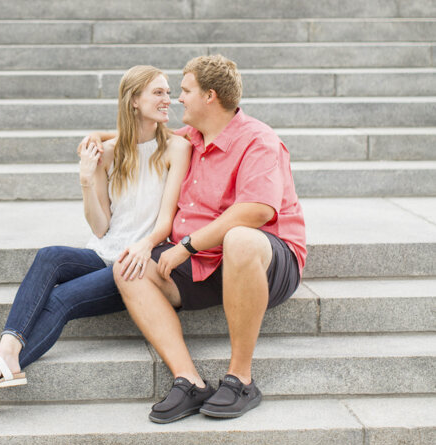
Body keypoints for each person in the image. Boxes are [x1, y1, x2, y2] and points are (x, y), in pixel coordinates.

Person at [0, 64, 192, 421]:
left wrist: (146, 245)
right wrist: (86, 179)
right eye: (158, 92)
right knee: (50, 256)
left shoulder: (177, 148)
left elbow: (165, 221)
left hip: (135, 265)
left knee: (60, 299)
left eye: (168, 91)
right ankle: (5, 356)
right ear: (133, 101)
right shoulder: (109, 153)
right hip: (105, 252)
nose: (168, 99)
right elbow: (101, 228)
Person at [82, 54, 307, 423]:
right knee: (128, 268)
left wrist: (186, 246)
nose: (178, 99)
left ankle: (241, 380)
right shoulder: (192, 137)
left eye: (185, 90)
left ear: (210, 97)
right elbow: (142, 135)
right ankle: (189, 381)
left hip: (265, 261)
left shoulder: (259, 141)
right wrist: (98, 137)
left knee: (240, 238)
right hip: (205, 264)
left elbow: (257, 211)